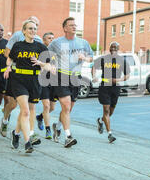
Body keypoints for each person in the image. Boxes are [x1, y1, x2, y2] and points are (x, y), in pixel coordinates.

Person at [3, 20, 52, 153]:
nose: (32, 31)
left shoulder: (41, 47)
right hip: (19, 80)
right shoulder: (18, 45)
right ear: (23, 31)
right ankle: (27, 142)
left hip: (35, 81)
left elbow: (50, 67)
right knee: (25, 111)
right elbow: (10, 58)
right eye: (30, 28)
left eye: (34, 29)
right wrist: (8, 67)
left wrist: (40, 63)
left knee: (27, 110)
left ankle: (16, 133)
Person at [47, 17, 93, 148]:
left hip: (76, 78)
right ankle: (68, 137)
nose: (74, 27)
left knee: (69, 108)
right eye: (71, 25)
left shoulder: (83, 42)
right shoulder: (56, 43)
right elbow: (46, 56)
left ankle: (58, 126)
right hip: (61, 76)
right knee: (66, 106)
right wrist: (51, 65)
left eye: (75, 25)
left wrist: (85, 58)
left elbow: (91, 57)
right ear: (65, 28)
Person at [92, 41, 130, 143]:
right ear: (109, 48)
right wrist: (94, 76)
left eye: (115, 47)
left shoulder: (122, 61)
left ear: (118, 49)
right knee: (106, 110)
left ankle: (100, 121)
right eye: (111, 47)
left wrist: (118, 80)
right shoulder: (104, 58)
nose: (113, 49)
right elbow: (94, 66)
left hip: (115, 87)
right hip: (104, 87)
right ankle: (110, 134)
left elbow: (127, 75)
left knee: (111, 111)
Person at [35, 32, 57, 139]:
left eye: (53, 38)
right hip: (43, 81)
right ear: (44, 40)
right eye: (49, 38)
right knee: (47, 106)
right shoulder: (41, 51)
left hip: (54, 82)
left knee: (52, 107)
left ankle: (40, 117)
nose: (52, 40)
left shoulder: (56, 53)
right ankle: (48, 130)